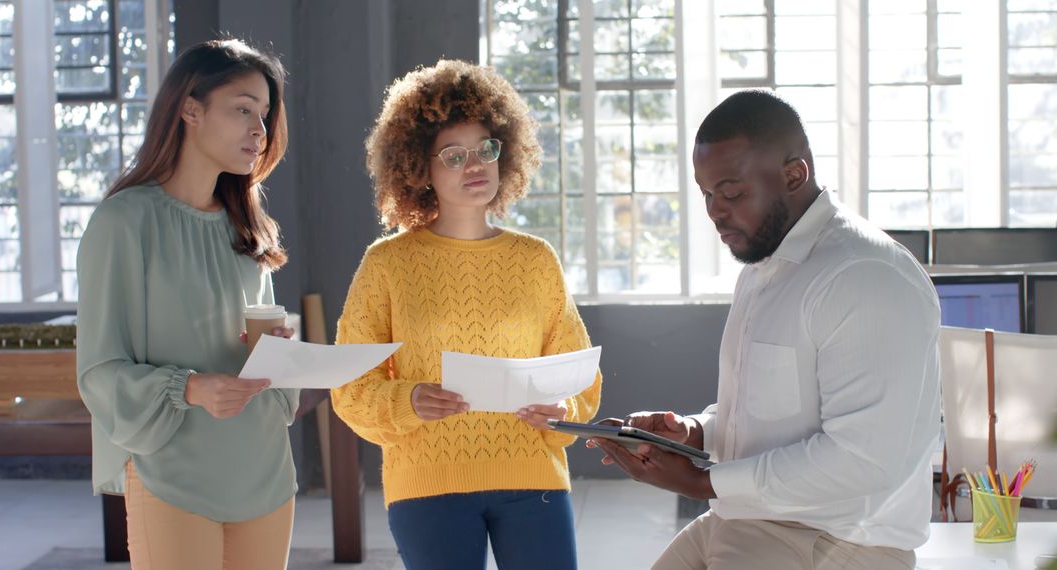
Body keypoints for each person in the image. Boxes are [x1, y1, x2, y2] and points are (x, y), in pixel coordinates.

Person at [591, 90, 941, 570]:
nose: (715, 211)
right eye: (707, 194)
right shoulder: (764, 267)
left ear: (794, 173)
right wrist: (691, 433)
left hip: (834, 544)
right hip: (746, 518)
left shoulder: (864, 275)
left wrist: (701, 482)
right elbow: (768, 419)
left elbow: (865, 460)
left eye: (731, 192)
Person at [331, 59, 601, 570]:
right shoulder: (387, 264)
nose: (475, 165)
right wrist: (408, 398)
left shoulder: (535, 260)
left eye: (485, 150)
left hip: (533, 478)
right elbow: (350, 387)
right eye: (453, 156)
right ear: (420, 168)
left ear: (506, 152)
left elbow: (580, 375)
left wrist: (563, 408)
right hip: (427, 485)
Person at [76, 39, 299, 569]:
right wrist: (192, 387)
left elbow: (253, 344)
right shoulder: (124, 222)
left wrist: (278, 351)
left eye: (264, 114)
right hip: (171, 470)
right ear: (190, 108)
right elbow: (99, 371)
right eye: (242, 108)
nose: (259, 131)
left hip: (263, 466)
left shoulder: (248, 227)